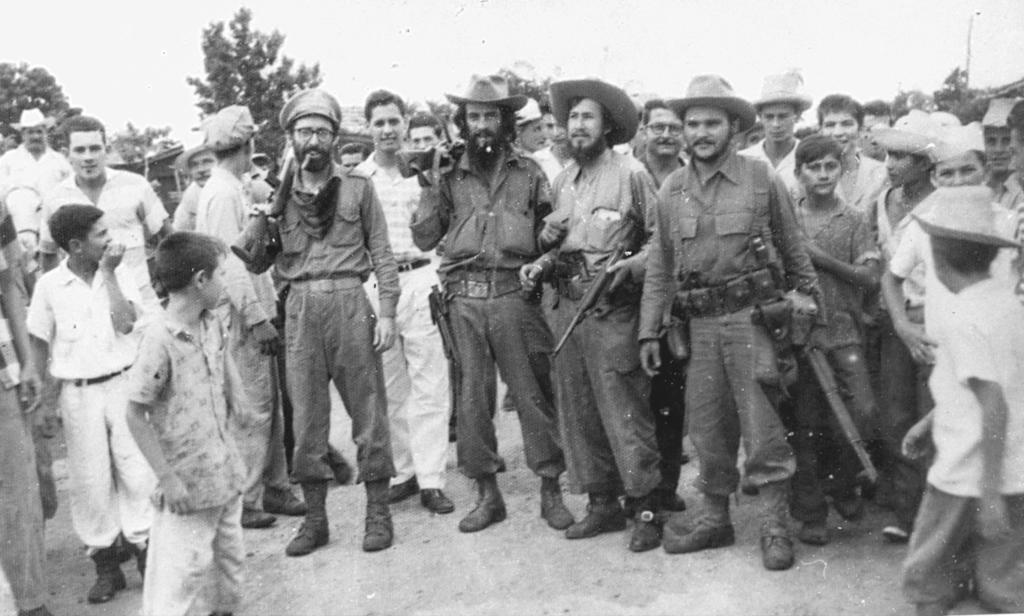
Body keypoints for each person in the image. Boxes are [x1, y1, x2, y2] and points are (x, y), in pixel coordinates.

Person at [639, 74, 820, 570]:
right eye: (692, 123)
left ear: (734, 126)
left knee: (762, 427)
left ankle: (774, 526)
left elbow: (794, 249)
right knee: (707, 427)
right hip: (698, 327)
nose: (700, 132)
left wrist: (808, 306)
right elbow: (659, 265)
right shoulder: (671, 189)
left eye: (711, 123)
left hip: (753, 321)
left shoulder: (762, 179)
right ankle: (714, 519)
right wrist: (650, 329)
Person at [410, 74, 573, 534]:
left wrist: (543, 256)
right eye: (474, 116)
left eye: (491, 116)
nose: (482, 125)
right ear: (463, 121)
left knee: (533, 395)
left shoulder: (531, 172)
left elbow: (551, 238)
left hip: (514, 295)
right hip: (463, 297)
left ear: (505, 121)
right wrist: (428, 184)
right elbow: (424, 237)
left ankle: (550, 490)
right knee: (472, 401)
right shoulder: (447, 173)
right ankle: (487, 495)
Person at [523, 78, 663, 552]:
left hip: (611, 309)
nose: (577, 126)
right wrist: (540, 259)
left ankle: (645, 508)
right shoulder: (563, 181)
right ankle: (602, 503)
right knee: (578, 412)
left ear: (607, 127)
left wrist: (633, 265)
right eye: (572, 118)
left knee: (624, 411)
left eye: (587, 117)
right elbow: (558, 243)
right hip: (565, 308)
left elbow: (660, 243)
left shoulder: (632, 175)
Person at [274, 88, 399, 555]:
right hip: (301, 308)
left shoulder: (358, 188)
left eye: (322, 132)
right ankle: (315, 520)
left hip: (350, 300)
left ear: (334, 138)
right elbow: (259, 261)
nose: (313, 140)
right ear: (291, 137)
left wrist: (386, 312)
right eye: (304, 131)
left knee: (369, 412)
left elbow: (383, 254)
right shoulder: (276, 197)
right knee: (307, 418)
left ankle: (378, 513)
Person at [899, 186, 1024, 616]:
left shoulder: (961, 316)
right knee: (1003, 584)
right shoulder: (1008, 306)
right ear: (990, 255)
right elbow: (992, 385)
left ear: (937, 254)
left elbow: (994, 404)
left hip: (966, 476)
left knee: (929, 578)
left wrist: (987, 493)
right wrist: (929, 422)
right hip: (1014, 473)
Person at [27, 204, 155, 603]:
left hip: (122, 385)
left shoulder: (119, 273)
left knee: (137, 471)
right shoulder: (50, 286)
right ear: (76, 245)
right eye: (101, 234)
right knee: (90, 479)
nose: (109, 240)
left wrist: (110, 275)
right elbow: (38, 341)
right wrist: (45, 402)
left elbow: (126, 324)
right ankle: (105, 564)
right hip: (78, 393)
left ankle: (148, 555)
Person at [124, 232, 247, 616]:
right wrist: (167, 478)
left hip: (224, 474)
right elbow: (135, 413)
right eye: (221, 275)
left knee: (229, 573)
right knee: (178, 584)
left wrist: (237, 391)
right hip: (186, 488)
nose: (225, 283)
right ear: (199, 280)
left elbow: (222, 354)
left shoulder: (210, 321)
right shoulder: (159, 339)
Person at [195, 105, 305, 529]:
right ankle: (249, 497)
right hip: (240, 314)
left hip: (255, 305)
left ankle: (274, 485)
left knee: (269, 402)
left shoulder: (232, 187)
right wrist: (257, 317)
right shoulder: (222, 193)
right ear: (247, 145)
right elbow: (229, 263)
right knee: (253, 407)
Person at [356, 90, 453, 515]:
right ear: (368, 128)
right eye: (379, 123)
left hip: (422, 276)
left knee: (431, 379)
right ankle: (405, 471)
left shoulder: (424, 172)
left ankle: (432, 478)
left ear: (404, 123)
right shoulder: (358, 180)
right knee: (391, 384)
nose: (388, 130)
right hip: (379, 284)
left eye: (394, 121)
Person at [788, 135, 881, 545]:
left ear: (841, 171)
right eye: (814, 168)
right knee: (804, 423)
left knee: (862, 411)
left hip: (844, 333)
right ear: (799, 174)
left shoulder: (856, 219)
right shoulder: (787, 218)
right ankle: (811, 512)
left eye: (831, 167)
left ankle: (843, 482)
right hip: (799, 336)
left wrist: (822, 260)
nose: (823, 175)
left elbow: (869, 276)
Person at [870, 110, 943, 543]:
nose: (892, 164)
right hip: (896, 319)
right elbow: (883, 267)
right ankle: (906, 511)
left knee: (931, 413)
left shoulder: (942, 203)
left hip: (936, 320)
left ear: (926, 164)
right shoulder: (882, 201)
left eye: (904, 156)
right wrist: (898, 323)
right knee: (895, 415)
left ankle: (935, 519)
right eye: (890, 154)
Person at [39, 116, 168, 313]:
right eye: (80, 150)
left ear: (106, 149)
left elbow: (168, 237)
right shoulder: (55, 199)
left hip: (142, 306)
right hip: (87, 312)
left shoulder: (136, 185)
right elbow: (48, 256)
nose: (88, 157)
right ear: (67, 155)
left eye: (95, 148)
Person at [636, 98, 689, 512]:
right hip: (627, 301)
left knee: (671, 400)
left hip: (678, 305)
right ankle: (636, 487)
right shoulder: (628, 173)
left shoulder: (692, 177)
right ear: (644, 130)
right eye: (658, 127)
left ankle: (666, 489)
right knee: (633, 399)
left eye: (674, 127)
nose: (667, 135)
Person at [0, 194, 49, 615]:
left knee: (17, 491)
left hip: (2, 370)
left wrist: (28, 362)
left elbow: (9, 286)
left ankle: (31, 603)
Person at [741, 70, 812, 200]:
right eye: (769, 117)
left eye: (783, 116)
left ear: (797, 116)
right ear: (760, 118)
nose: (776, 124)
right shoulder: (744, 159)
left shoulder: (811, 156)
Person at [817, 94, 887, 212]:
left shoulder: (881, 173)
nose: (838, 132)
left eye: (846, 124)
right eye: (830, 125)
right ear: (820, 131)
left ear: (860, 130)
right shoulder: (811, 176)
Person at [0, 108, 71, 200]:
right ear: (23, 134)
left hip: (53, 212)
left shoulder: (60, 160)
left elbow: (70, 190)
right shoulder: (8, 159)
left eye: (39, 131)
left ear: (46, 132)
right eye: (30, 132)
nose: (36, 136)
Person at [980, 98, 1020, 208]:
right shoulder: (980, 186)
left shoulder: (1020, 190)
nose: (998, 149)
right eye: (991, 141)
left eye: (1007, 140)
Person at [171, 138, 216, 232]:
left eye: (207, 162)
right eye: (194, 165)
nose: (201, 170)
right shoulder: (190, 197)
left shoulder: (238, 184)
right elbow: (178, 234)